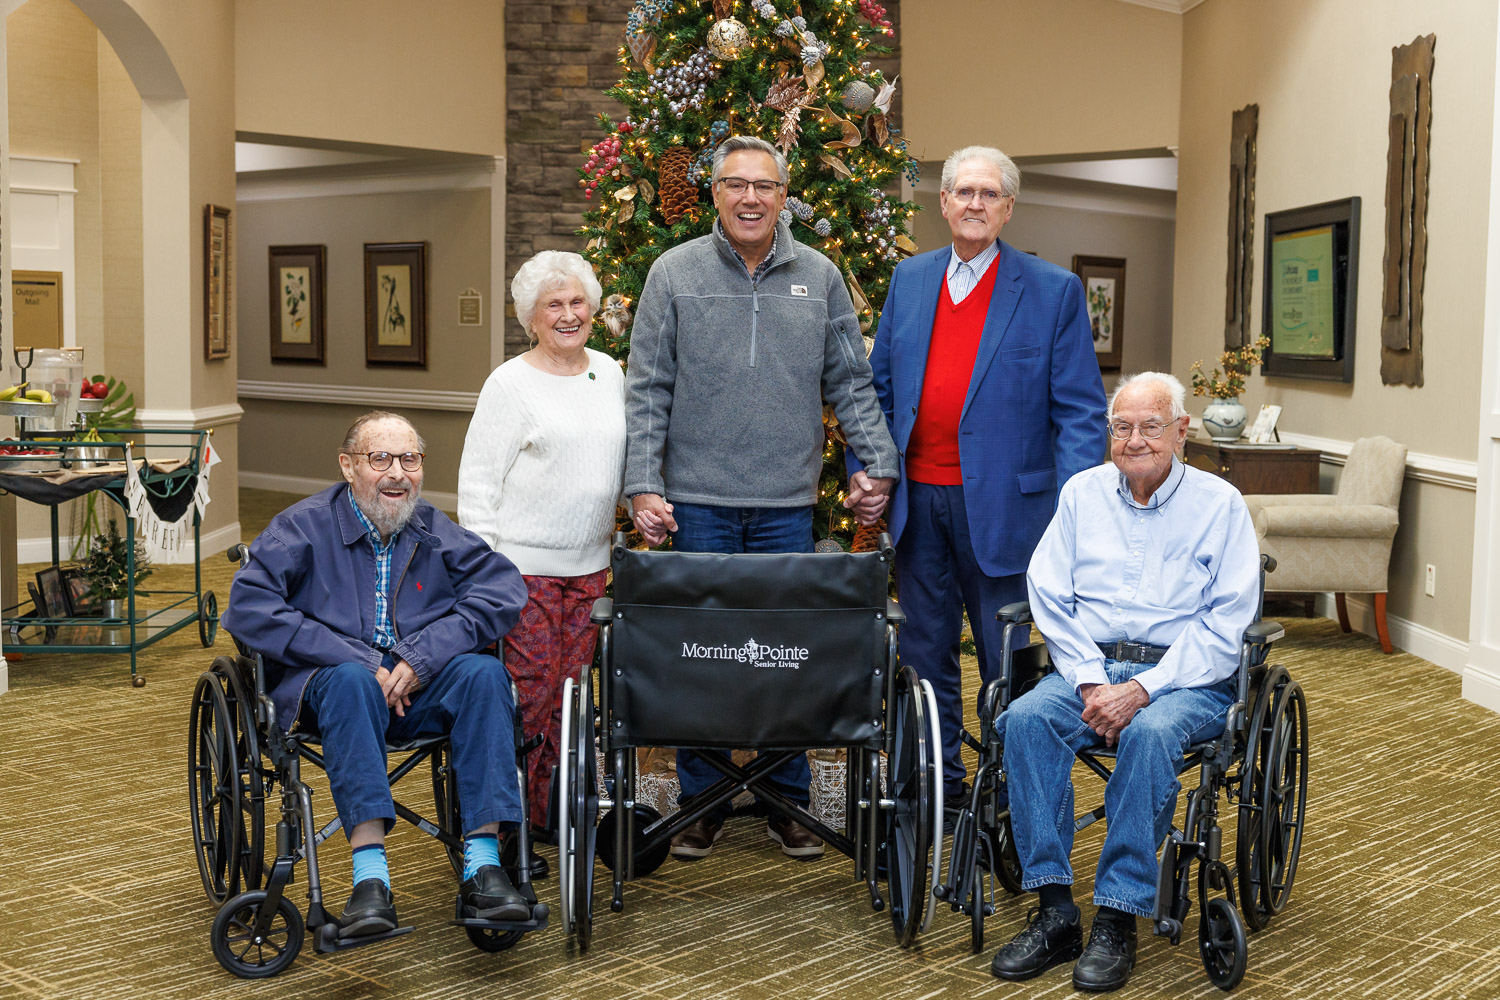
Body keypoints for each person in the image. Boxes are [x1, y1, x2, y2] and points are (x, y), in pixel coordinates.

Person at [624, 134, 900, 860]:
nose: (750, 197)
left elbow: (851, 382)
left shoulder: (821, 276)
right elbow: (647, 387)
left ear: (785, 198)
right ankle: (702, 798)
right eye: (735, 184)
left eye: (765, 186)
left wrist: (878, 463)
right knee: (699, 658)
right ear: (714, 192)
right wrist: (642, 482)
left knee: (789, 655)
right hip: (696, 501)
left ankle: (788, 800)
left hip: (786, 502)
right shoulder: (671, 272)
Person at [989, 373, 1261, 992]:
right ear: (1109, 433)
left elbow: (1227, 625)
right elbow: (1049, 594)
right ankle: (1055, 911)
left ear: (1181, 432)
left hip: (1186, 678)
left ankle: (1117, 917)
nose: (1135, 440)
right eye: (1122, 427)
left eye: (1150, 427)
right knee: (1028, 721)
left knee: (1149, 735)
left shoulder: (1220, 507)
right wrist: (1090, 682)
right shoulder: (1082, 494)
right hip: (1089, 665)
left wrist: (1144, 689)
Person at [859, 145, 1106, 805]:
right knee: (924, 652)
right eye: (962, 192)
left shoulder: (1052, 291)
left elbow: (1082, 414)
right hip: (918, 508)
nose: (974, 204)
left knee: (1005, 664)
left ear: (1008, 207)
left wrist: (1072, 512)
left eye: (988, 194)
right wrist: (870, 472)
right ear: (942, 202)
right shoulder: (910, 281)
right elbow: (876, 394)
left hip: (1009, 514)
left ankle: (1005, 792)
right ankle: (940, 785)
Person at [223, 411, 531, 937]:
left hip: (420, 688)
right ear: (348, 466)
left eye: (409, 459)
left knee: (484, 676)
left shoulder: (434, 529)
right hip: (331, 693)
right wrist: (361, 660)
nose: (397, 474)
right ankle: (371, 878)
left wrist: (419, 658)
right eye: (380, 458)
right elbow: (249, 608)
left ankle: (484, 866)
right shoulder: (301, 527)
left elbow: (503, 590)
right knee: (351, 681)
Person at [458, 250, 624, 854]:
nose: (568, 314)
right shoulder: (509, 383)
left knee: (574, 694)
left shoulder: (609, 372)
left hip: (591, 567)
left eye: (577, 301)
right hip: (520, 570)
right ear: (530, 317)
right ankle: (510, 825)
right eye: (553, 305)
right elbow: (478, 483)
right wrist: (482, 572)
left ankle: (554, 810)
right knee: (528, 694)